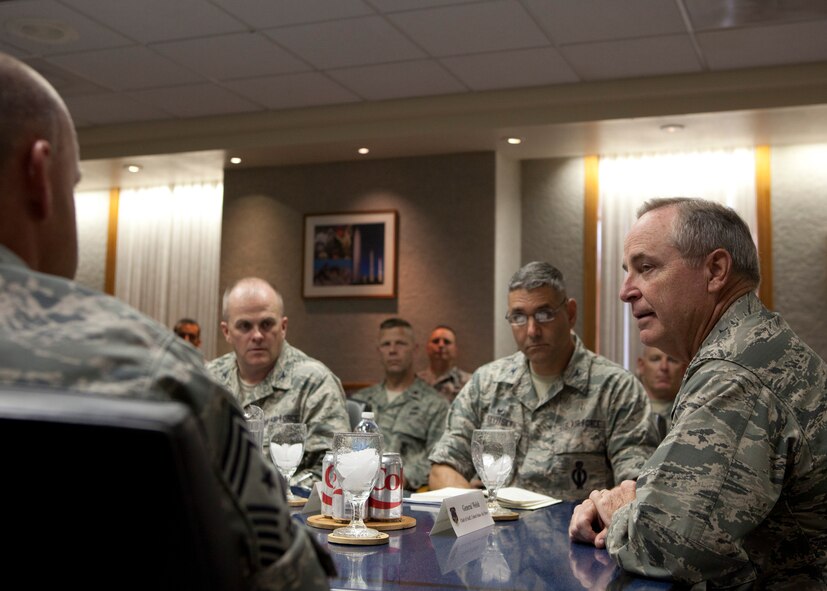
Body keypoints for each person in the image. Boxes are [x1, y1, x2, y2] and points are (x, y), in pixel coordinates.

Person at [0, 52, 333, 589]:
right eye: (74, 183)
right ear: (40, 175)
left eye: (266, 324)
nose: (255, 335)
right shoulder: (152, 372)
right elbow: (286, 577)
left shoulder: (308, 379)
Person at [569, 198, 827, 587]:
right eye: (627, 272)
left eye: (646, 268)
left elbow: (671, 546)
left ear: (716, 270)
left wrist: (618, 509)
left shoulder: (734, 372)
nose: (625, 291)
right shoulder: (748, 344)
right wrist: (642, 505)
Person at [429, 261, 659, 501]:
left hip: (576, 535)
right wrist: (475, 514)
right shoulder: (487, 384)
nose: (532, 331)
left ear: (570, 314)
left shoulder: (615, 389)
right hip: (497, 533)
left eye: (544, 314)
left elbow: (634, 487)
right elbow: (443, 467)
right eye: (518, 317)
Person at [207, 277, 350, 483]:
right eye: (244, 326)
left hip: (291, 510)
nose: (257, 335)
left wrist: (267, 495)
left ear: (283, 327)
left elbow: (333, 468)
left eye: (266, 324)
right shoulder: (209, 380)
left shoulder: (314, 382)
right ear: (227, 332)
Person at [351, 318, 449, 490]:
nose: (393, 350)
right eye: (386, 344)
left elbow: (438, 459)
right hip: (359, 492)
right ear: (378, 351)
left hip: (409, 495)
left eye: (401, 343)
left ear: (415, 349)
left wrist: (398, 477)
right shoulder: (359, 402)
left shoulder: (435, 404)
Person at [636, 344, 686, 434]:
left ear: (683, 368)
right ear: (641, 365)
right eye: (656, 359)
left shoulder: (691, 411)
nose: (664, 367)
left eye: (672, 360)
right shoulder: (627, 411)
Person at [417, 325, 472, 403]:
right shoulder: (414, 382)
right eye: (436, 341)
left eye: (447, 342)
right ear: (427, 348)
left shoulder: (470, 383)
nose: (441, 345)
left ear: (455, 350)